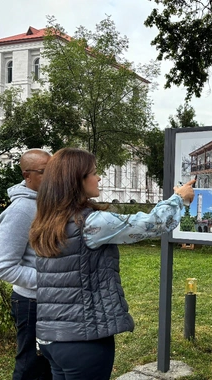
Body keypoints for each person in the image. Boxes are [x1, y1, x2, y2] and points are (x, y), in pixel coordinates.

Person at [28, 147, 195, 380]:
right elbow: (152, 223)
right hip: (84, 341)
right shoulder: (91, 223)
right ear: (77, 180)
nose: (99, 178)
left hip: (51, 339)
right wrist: (179, 198)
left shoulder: (46, 220)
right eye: (93, 173)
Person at [0, 149, 53, 380]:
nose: (51, 178)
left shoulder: (47, 203)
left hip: (51, 299)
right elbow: (4, 267)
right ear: (27, 175)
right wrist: (49, 280)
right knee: (30, 366)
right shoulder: (20, 210)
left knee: (49, 364)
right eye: (44, 172)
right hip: (31, 303)